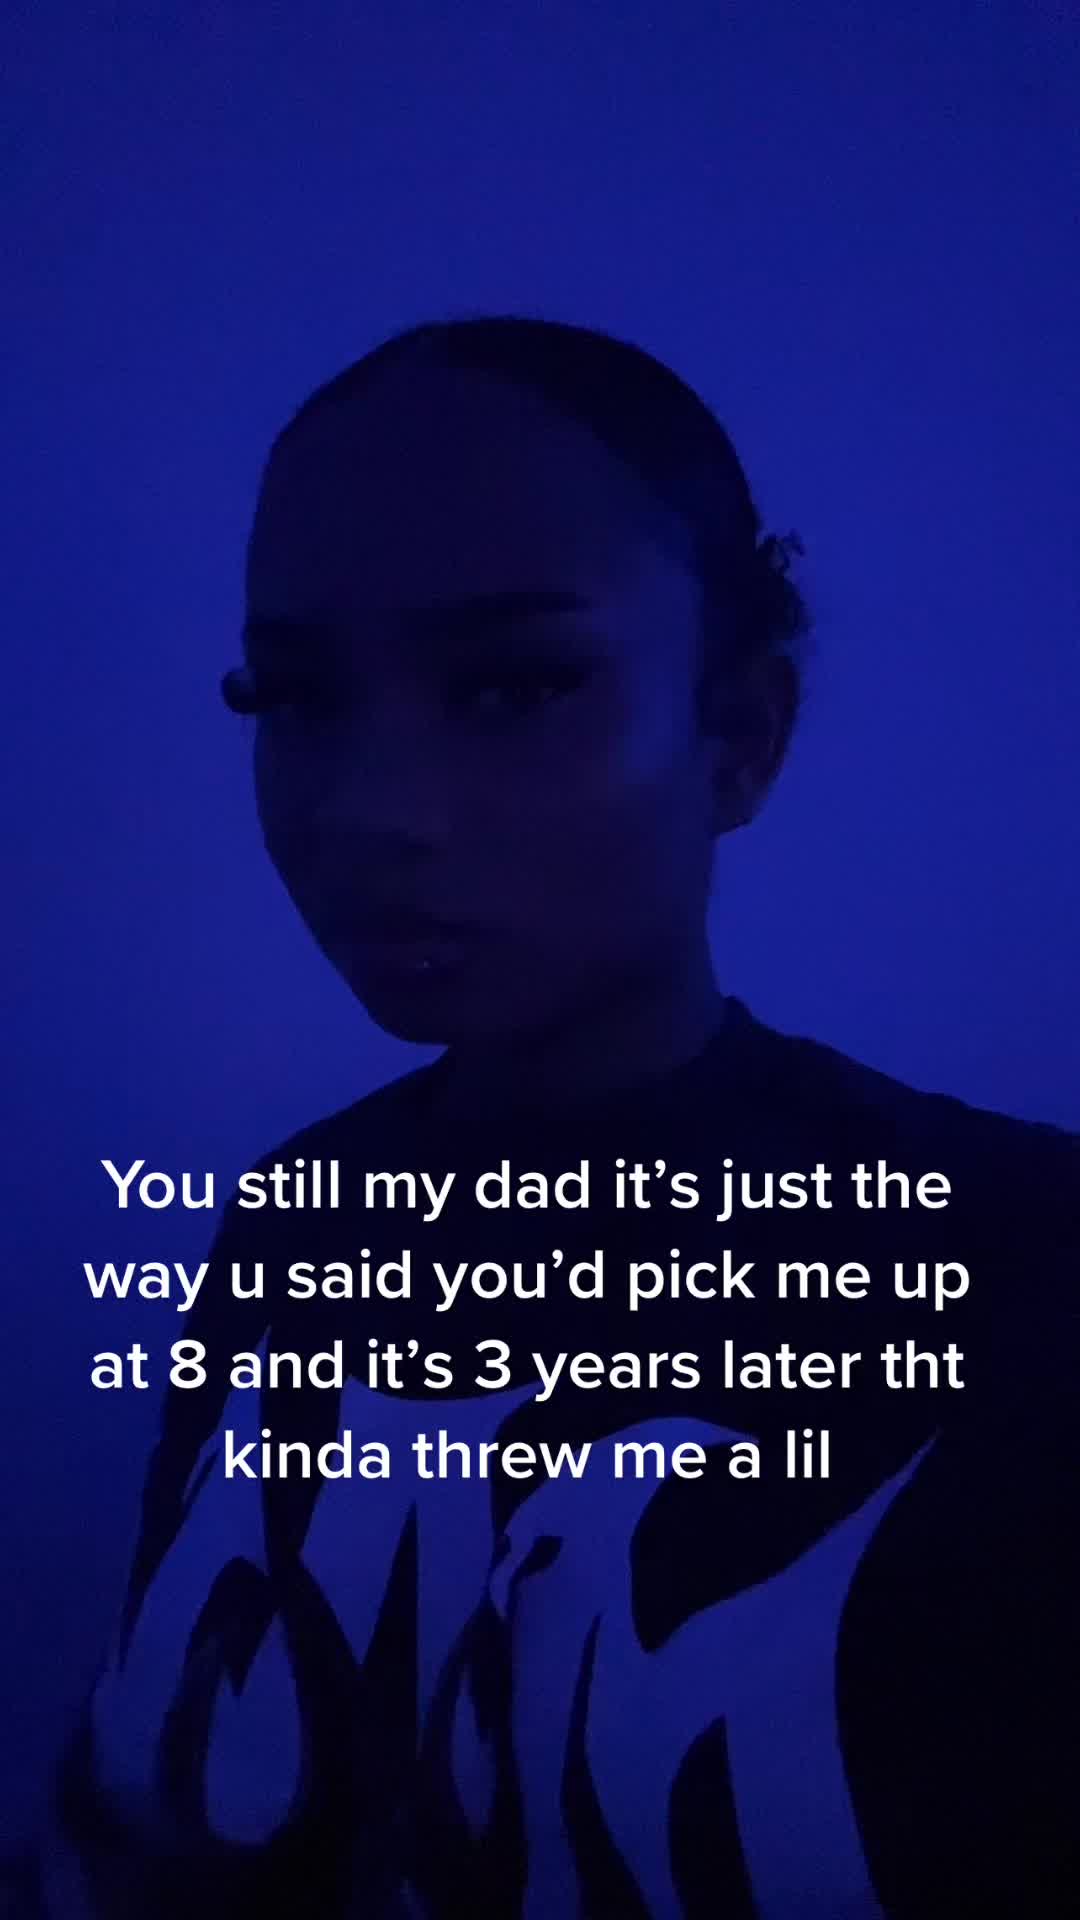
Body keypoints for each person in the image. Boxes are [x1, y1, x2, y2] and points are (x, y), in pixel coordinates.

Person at [12, 315, 1077, 1918]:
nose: (369, 810)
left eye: (515, 686)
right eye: (293, 697)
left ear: (742, 735)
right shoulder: (298, 1222)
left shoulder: (1024, 1266)